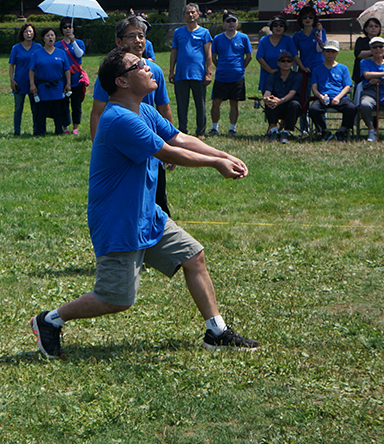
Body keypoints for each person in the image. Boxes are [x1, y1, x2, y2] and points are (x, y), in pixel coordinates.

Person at [30, 47, 258, 358]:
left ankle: (216, 331)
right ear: (122, 81)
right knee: (116, 299)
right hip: (119, 222)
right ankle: (49, 320)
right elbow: (167, 152)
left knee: (193, 256)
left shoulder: (143, 110)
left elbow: (178, 137)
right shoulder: (118, 119)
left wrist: (223, 154)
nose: (148, 67)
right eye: (138, 65)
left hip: (147, 214)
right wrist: (215, 164)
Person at [89, 16, 174, 214]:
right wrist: (98, 148)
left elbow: (164, 109)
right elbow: (97, 112)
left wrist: (169, 146)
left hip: (153, 146)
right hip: (126, 145)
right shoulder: (111, 74)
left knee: (158, 201)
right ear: (118, 42)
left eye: (141, 36)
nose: (138, 41)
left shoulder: (154, 71)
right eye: (131, 36)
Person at [169, 3, 213, 137]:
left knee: (200, 105)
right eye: (188, 13)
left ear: (198, 14)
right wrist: (171, 71)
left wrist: (208, 73)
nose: (190, 15)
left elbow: (208, 54)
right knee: (182, 105)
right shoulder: (178, 32)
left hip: (198, 74)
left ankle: (200, 131)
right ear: (184, 15)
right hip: (181, 74)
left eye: (193, 12)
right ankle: (182, 130)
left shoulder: (204, 33)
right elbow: (174, 52)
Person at [209, 12, 252, 136]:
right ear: (224, 23)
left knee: (234, 103)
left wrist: (241, 68)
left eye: (233, 21)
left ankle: (232, 129)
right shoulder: (217, 38)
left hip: (237, 77)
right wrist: (220, 67)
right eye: (228, 21)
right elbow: (213, 56)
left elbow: (249, 56)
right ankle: (214, 128)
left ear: (237, 22)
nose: (231, 24)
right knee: (216, 103)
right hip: (221, 77)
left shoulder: (243, 38)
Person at [308, 40, 356, 142]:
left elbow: (347, 86)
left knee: (351, 107)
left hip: (339, 97)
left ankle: (343, 130)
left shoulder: (343, 68)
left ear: (337, 53)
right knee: (313, 109)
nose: (330, 54)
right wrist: (320, 96)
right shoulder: (317, 69)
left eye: (333, 52)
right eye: (328, 51)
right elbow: (314, 87)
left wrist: (338, 98)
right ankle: (324, 131)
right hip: (323, 97)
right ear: (323, 52)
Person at [29, 27, 71, 136]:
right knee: (41, 110)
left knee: (58, 109)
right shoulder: (37, 53)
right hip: (42, 86)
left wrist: (68, 83)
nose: (50, 38)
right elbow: (31, 70)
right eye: (47, 36)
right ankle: (40, 131)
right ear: (43, 38)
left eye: (52, 35)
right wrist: (32, 84)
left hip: (57, 86)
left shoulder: (61, 53)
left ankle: (59, 130)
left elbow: (67, 69)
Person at [9, 23, 42, 136]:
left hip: (34, 83)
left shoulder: (38, 47)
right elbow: (11, 65)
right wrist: (12, 80)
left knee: (35, 108)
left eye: (30, 31)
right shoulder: (16, 48)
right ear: (22, 33)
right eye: (26, 31)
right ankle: (17, 130)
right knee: (18, 108)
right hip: (19, 82)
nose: (28, 34)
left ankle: (36, 130)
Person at [262, 51, 302, 143]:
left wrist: (280, 101)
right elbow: (267, 91)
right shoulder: (272, 77)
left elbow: (292, 93)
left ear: (292, 63)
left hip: (289, 102)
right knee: (270, 103)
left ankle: (286, 132)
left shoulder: (297, 77)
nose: (286, 63)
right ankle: (274, 131)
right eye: (283, 61)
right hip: (276, 104)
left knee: (295, 104)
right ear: (278, 63)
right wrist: (266, 99)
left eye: (289, 61)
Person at [59, 18, 89, 135]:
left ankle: (75, 127)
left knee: (76, 104)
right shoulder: (58, 45)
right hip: (63, 78)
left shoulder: (79, 43)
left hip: (76, 78)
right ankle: (65, 126)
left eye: (70, 27)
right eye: (65, 27)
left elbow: (79, 54)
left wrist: (73, 42)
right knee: (63, 104)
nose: (67, 29)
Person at [255, 15, 297, 93]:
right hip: (267, 76)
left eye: (281, 25)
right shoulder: (264, 40)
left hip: (284, 77)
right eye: (275, 25)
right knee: (268, 99)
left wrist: (302, 68)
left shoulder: (288, 40)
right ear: (271, 27)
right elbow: (259, 57)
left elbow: (294, 56)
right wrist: (270, 70)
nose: (278, 27)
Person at [352, 17, 382, 85]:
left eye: (376, 26)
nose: (373, 28)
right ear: (366, 29)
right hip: (360, 73)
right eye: (371, 26)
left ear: (380, 28)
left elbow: (381, 57)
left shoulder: (382, 42)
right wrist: (375, 51)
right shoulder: (361, 40)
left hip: (376, 72)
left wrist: (367, 55)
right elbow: (358, 54)